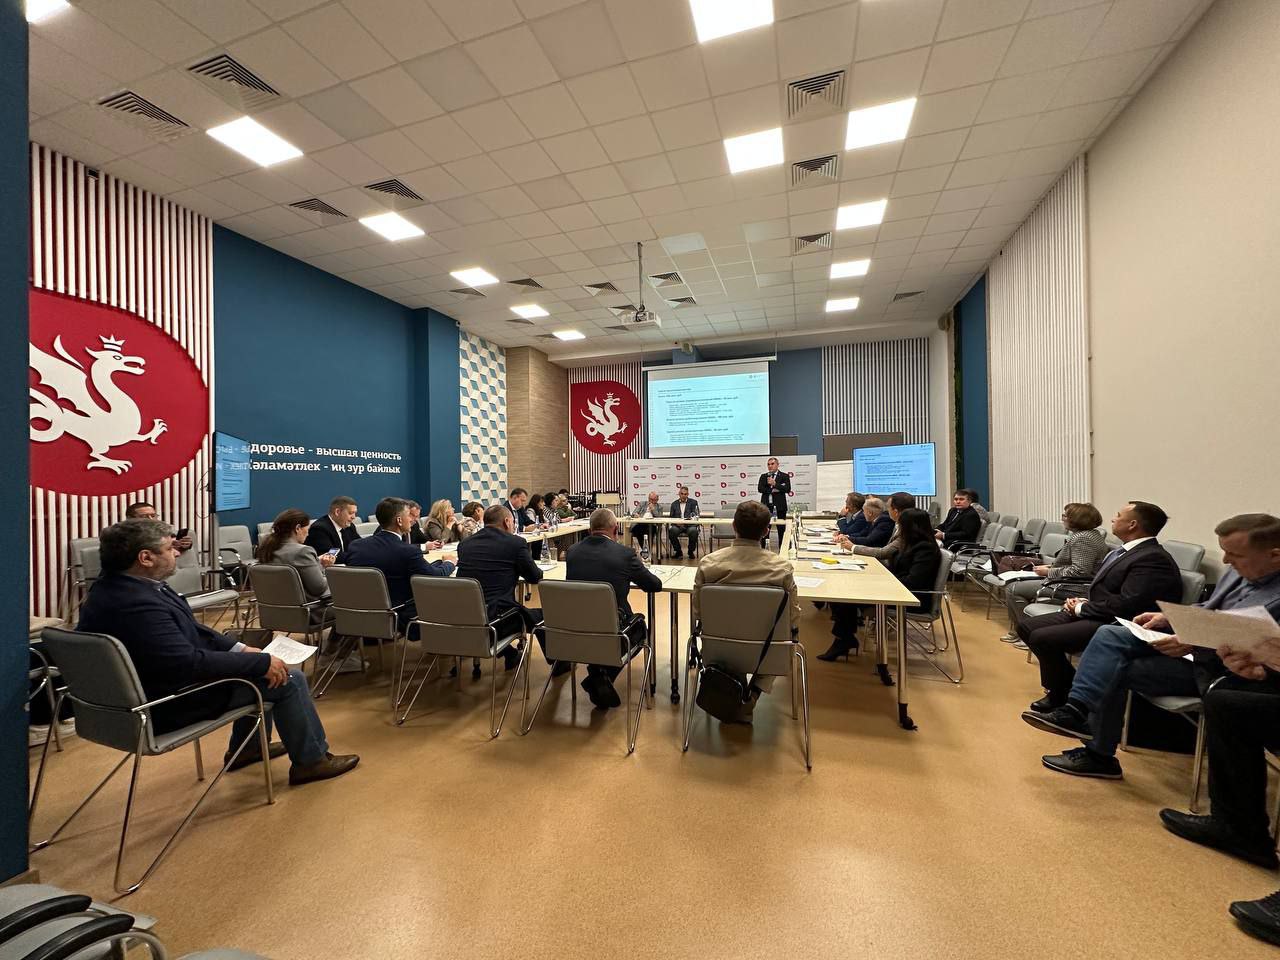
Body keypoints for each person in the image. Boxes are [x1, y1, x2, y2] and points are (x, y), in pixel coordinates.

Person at [77, 519, 358, 784]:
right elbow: (186, 664)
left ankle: (247, 749)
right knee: (289, 679)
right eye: (170, 548)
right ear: (146, 558)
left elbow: (195, 630)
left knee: (254, 668)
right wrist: (259, 664)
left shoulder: (116, 590)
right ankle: (311, 761)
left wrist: (241, 649)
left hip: (144, 694)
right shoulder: (138, 605)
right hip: (165, 703)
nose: (177, 553)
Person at [1024, 514, 1280, 785]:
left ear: (1275, 556)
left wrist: (1195, 639)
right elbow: (1210, 608)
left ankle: (1094, 745)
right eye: (1225, 552)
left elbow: (1262, 643)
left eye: (1234, 554)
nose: (1226, 561)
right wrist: (1168, 618)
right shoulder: (1239, 572)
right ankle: (1079, 714)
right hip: (1196, 655)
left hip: (1232, 675)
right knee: (1110, 640)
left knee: (1111, 664)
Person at [1016, 500, 1183, 710]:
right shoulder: (1125, 551)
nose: (1113, 519)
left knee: (1043, 638)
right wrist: (1083, 601)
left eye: (1118, 515)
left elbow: (1128, 604)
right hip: (1097, 610)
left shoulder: (1152, 558)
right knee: (1026, 627)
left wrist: (1082, 608)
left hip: (1117, 622)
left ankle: (1063, 694)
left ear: (1132, 524)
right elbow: (1107, 589)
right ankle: (1069, 687)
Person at [692, 500, 802, 717]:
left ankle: (734, 689)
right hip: (767, 651)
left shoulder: (708, 564)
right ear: (766, 531)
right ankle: (753, 693)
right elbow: (793, 617)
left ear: (733, 526)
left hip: (719, 649)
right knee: (783, 639)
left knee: (732, 633)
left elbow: (698, 612)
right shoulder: (782, 569)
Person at [563, 508, 663, 708]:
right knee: (641, 629)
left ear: (590, 529)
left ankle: (598, 671)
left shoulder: (572, 552)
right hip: (613, 632)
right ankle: (603, 674)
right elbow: (654, 585)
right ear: (616, 529)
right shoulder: (624, 554)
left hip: (576, 630)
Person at [821, 506, 941, 661]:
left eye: (901, 525)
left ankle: (844, 640)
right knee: (845, 592)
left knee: (847, 596)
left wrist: (881, 582)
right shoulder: (911, 543)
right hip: (897, 589)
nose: (898, 529)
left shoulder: (925, 549)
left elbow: (914, 581)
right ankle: (844, 638)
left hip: (913, 597)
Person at [256, 509, 364, 675]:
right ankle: (333, 657)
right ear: (297, 528)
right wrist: (330, 574)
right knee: (360, 607)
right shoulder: (302, 551)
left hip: (274, 614)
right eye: (307, 528)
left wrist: (316, 563)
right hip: (308, 612)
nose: (308, 533)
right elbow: (319, 588)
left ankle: (333, 654)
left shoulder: (266, 550)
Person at [456, 504, 547, 672]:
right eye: (512, 522)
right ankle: (559, 663)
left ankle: (510, 654)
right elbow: (534, 577)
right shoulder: (515, 543)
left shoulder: (465, 544)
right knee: (545, 615)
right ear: (507, 522)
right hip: (497, 618)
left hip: (463, 616)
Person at [1000, 503, 1107, 641]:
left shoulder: (1083, 538)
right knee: (1015, 585)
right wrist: (1050, 567)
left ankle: (1025, 633)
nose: (1063, 518)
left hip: (1074, 586)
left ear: (1077, 519)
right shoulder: (1090, 534)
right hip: (1067, 581)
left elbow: (1080, 570)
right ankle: (1022, 630)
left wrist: (1049, 572)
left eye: (1065, 515)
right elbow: (1076, 564)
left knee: (1013, 589)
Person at [342, 498, 454, 629]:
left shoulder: (356, 546)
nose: (412, 520)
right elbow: (434, 577)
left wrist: (438, 563)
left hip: (356, 614)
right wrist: (449, 563)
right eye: (409, 515)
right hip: (397, 614)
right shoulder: (408, 551)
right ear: (399, 521)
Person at [125, 502, 193, 554]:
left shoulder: (167, 532)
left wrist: (185, 544)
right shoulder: (123, 535)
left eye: (153, 516)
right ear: (130, 518)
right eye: (144, 516)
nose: (151, 519)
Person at [757, 457, 790, 546]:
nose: (770, 466)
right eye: (768, 464)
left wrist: (775, 484)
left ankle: (782, 550)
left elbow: (787, 489)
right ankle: (763, 549)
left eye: (772, 464)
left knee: (781, 530)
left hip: (780, 507)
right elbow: (760, 489)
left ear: (777, 465)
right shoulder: (764, 476)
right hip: (766, 507)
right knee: (765, 529)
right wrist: (772, 490)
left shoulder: (784, 476)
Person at [667, 485, 700, 559]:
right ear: (679, 494)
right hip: (677, 526)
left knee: (693, 531)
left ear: (688, 494)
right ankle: (678, 551)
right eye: (682, 494)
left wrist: (688, 521)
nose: (683, 495)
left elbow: (696, 515)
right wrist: (676, 523)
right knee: (672, 531)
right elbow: (671, 517)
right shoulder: (674, 504)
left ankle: (690, 551)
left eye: (685, 494)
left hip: (689, 525)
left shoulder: (693, 502)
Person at [630, 491, 662, 557]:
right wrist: (636, 515)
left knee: (650, 531)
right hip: (640, 524)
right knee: (637, 530)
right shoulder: (642, 504)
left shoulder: (659, 507)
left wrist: (653, 509)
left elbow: (659, 517)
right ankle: (646, 550)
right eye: (650, 499)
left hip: (651, 525)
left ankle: (647, 551)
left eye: (654, 500)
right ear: (648, 498)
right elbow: (634, 513)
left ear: (657, 499)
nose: (651, 501)